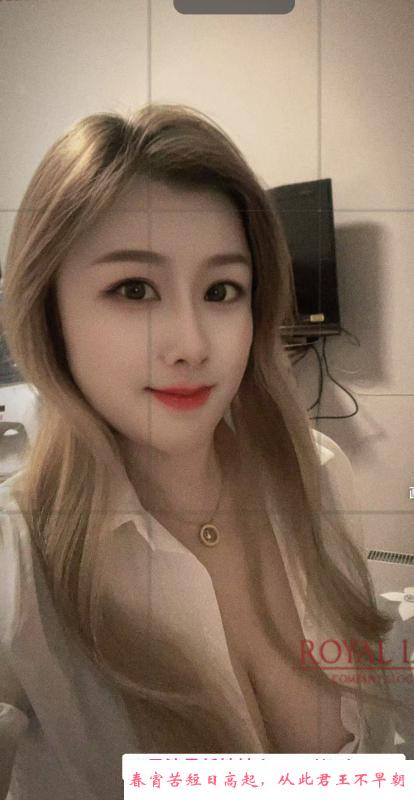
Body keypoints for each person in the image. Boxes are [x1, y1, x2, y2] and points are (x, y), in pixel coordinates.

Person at [0, 104, 406, 800]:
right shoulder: (18, 557)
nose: (190, 343)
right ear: (50, 313)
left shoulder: (318, 476)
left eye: (222, 290)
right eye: (134, 289)